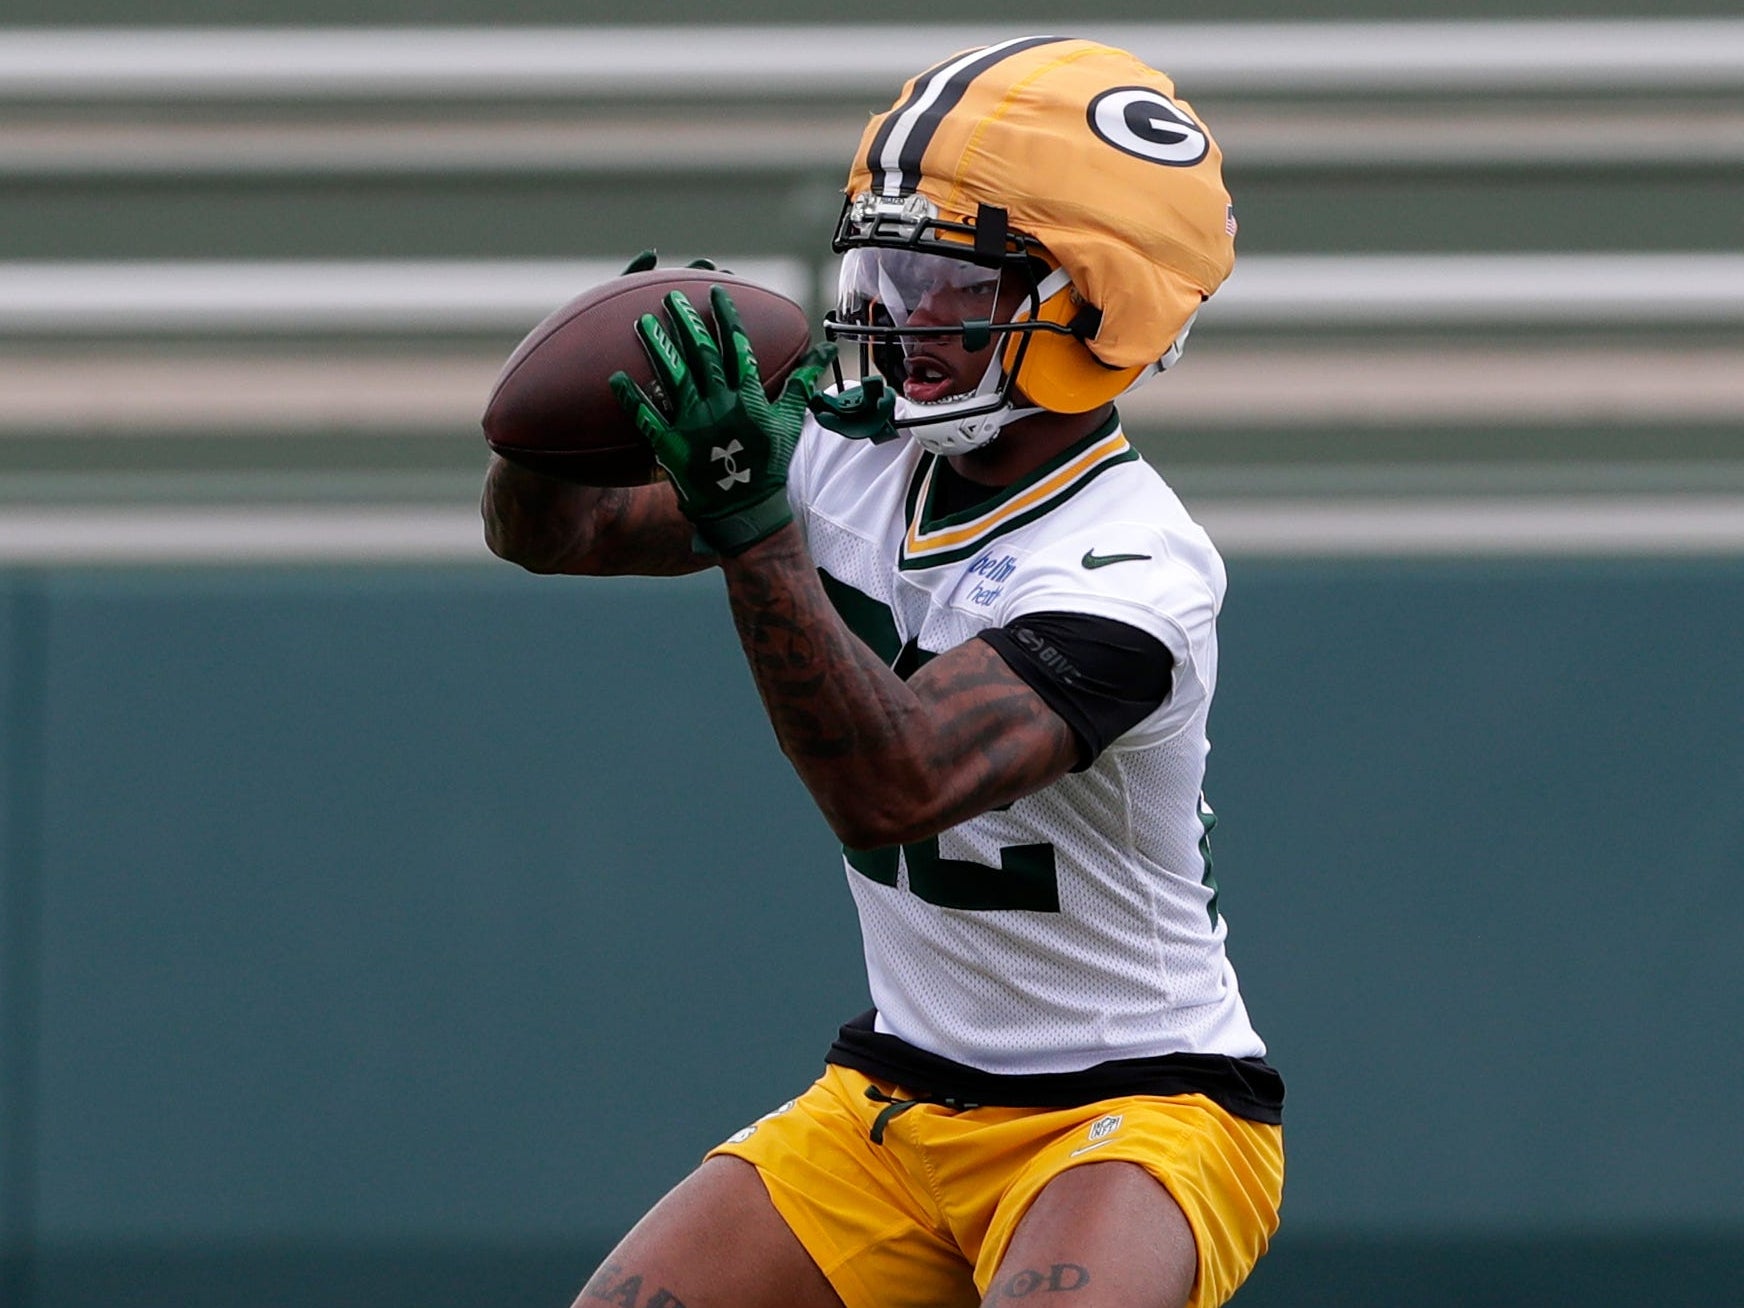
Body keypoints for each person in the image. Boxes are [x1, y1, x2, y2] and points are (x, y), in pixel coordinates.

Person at [483, 36, 1283, 1308]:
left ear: (1097, 295)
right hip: (897, 1089)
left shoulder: (1135, 567)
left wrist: (751, 521)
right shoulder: (848, 452)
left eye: (944, 283)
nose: (897, 313)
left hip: (1135, 1108)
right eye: (887, 269)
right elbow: (551, 536)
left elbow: (897, 784)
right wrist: (580, 408)